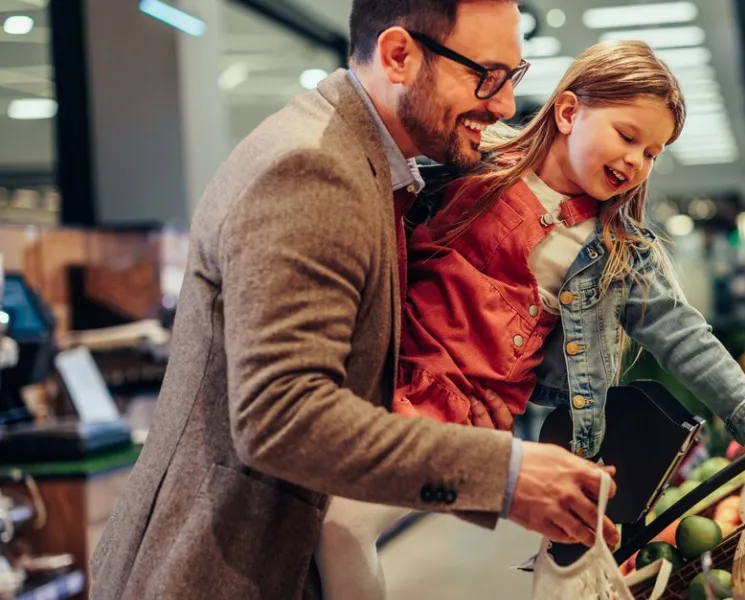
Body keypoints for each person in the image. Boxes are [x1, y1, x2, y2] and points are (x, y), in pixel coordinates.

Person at [90, 2, 618, 599]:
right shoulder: (314, 169)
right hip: (214, 573)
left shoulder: (370, 166)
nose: (502, 106)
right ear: (399, 55)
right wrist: (505, 474)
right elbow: (281, 416)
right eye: (486, 76)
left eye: (512, 79)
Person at [316, 40, 745, 600]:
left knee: (341, 525)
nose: (636, 162)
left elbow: (686, 337)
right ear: (569, 113)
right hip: (376, 375)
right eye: (627, 136)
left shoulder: (619, 251)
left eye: (653, 153)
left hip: (457, 417)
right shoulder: (471, 170)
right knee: (318, 518)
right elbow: (377, 201)